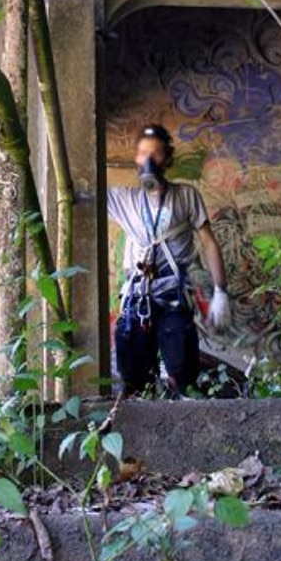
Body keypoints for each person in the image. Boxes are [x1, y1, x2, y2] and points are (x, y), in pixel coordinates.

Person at [108, 123, 230, 396]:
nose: (149, 160)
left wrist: (221, 291)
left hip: (174, 299)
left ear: (168, 158)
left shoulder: (186, 196)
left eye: (156, 153)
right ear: (136, 158)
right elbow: (84, 194)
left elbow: (209, 242)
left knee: (182, 376)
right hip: (137, 299)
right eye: (142, 153)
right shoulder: (124, 199)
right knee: (134, 381)